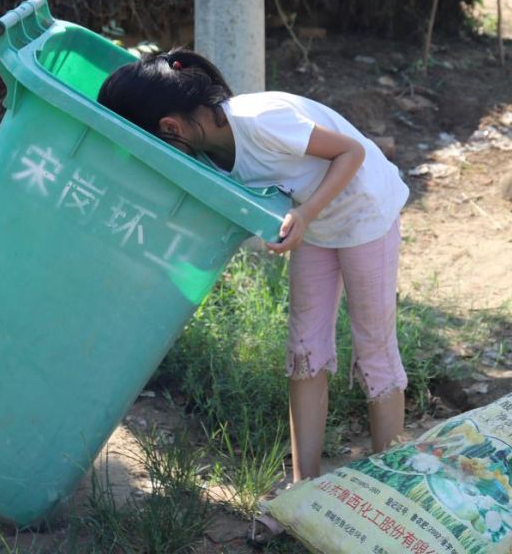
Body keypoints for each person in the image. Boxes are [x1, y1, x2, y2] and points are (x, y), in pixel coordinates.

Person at [98, 50, 410, 545]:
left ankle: (392, 489)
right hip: (317, 223)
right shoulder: (208, 151)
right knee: (305, 350)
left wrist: (304, 218)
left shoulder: (261, 122)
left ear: (170, 126)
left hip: (364, 210)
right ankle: (303, 490)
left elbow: (351, 153)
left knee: (373, 346)